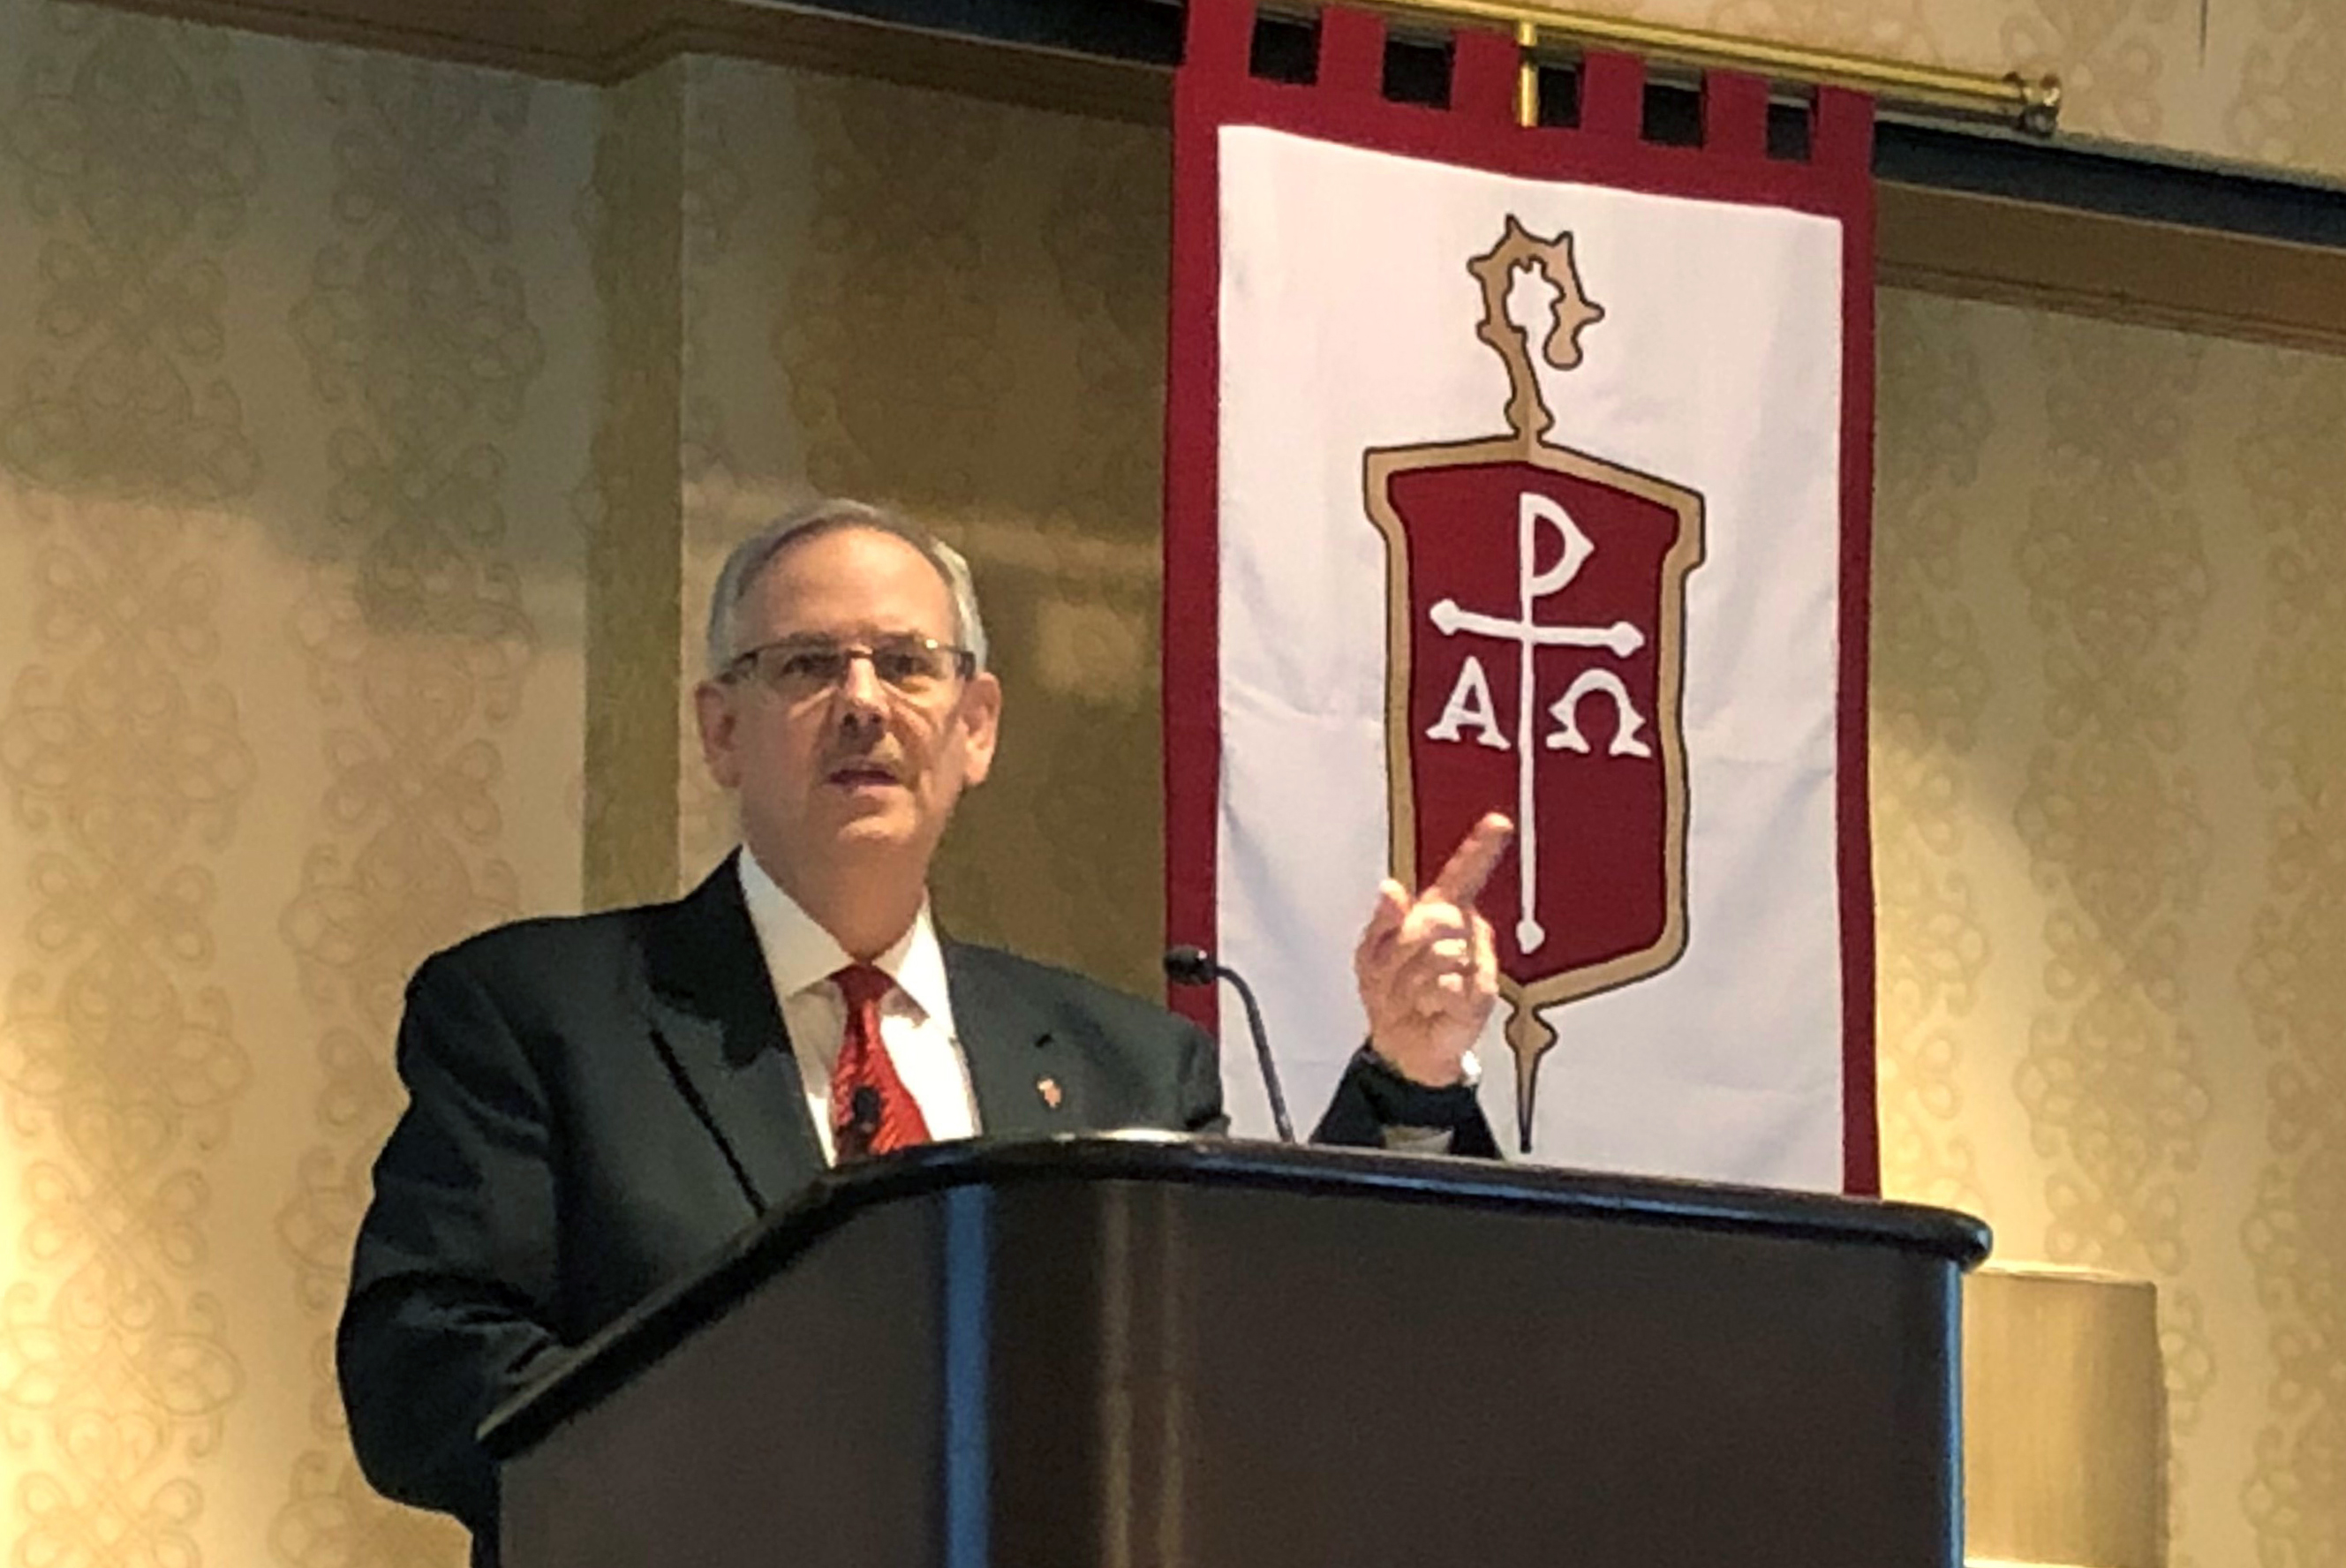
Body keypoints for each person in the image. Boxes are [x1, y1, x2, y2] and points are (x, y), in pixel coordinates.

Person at [337, 499, 1510, 1558]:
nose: (861, 702)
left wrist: (1408, 1081)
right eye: (805, 664)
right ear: (721, 730)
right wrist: (786, 1454)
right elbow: (421, 1372)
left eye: (905, 664)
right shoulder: (540, 1014)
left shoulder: (1127, 1066)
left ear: (977, 726)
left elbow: (1261, 1370)